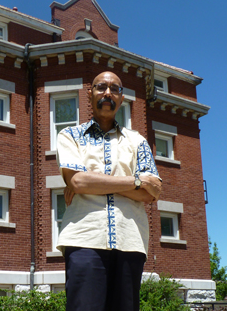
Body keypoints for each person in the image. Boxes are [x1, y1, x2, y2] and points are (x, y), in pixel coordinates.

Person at [56, 71, 162, 311]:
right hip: (84, 239)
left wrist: (94, 182)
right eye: (101, 87)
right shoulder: (70, 136)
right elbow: (79, 182)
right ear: (90, 94)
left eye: (115, 89)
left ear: (121, 98)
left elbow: (153, 191)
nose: (108, 93)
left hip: (131, 241)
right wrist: (136, 180)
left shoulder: (137, 141)